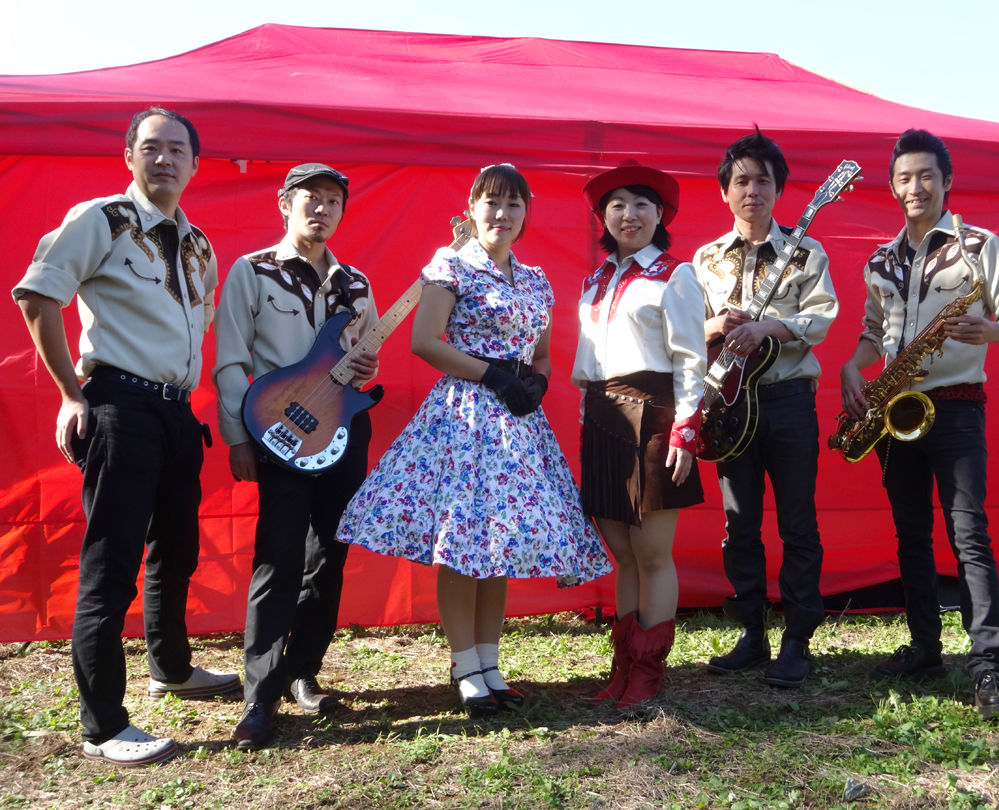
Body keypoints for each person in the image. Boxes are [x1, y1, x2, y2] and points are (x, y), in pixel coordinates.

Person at [336, 163, 611, 717]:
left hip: (517, 423)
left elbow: (541, 352)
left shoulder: (534, 279)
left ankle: (489, 663)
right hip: (465, 416)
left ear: (526, 213)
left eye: (513, 204)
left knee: (497, 543)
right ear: (472, 208)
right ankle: (464, 666)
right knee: (463, 544)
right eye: (491, 202)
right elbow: (424, 341)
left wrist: (536, 381)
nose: (501, 214)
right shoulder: (451, 265)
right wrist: (493, 376)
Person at [11, 107, 238, 767]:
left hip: (176, 413)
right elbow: (38, 295)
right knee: (111, 567)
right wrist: (70, 392)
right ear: (129, 156)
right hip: (118, 406)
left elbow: (197, 327)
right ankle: (104, 725)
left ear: (195, 164)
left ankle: (171, 668)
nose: (164, 159)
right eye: (151, 147)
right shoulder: (102, 219)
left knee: (178, 550)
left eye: (177, 149)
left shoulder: (199, 246)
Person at [839, 129, 999, 717]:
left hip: (956, 406)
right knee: (910, 533)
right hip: (895, 411)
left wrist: (991, 330)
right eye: (904, 177)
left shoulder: (980, 246)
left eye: (926, 175)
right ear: (892, 186)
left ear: (947, 181)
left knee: (968, 532)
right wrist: (852, 365)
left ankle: (986, 662)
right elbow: (874, 332)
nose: (915, 186)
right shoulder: (880, 260)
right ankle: (926, 646)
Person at [213, 163, 379, 749]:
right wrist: (238, 436)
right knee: (277, 558)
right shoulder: (252, 270)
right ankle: (258, 696)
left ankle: (302, 671)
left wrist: (365, 365)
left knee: (330, 555)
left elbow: (365, 360)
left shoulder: (355, 282)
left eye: (334, 200)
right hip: (279, 434)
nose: (323, 209)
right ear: (285, 202)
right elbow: (230, 359)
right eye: (312, 197)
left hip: (342, 433)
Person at [692, 131, 838, 689]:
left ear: (779, 189)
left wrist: (770, 326)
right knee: (739, 524)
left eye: (763, 180)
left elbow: (822, 316)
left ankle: (798, 640)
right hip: (729, 405)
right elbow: (683, 329)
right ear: (725, 192)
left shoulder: (807, 252)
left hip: (788, 400)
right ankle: (751, 633)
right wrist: (713, 326)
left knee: (798, 522)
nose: (752, 190)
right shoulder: (705, 259)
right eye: (741, 181)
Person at [573, 159, 706, 712]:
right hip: (602, 417)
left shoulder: (676, 275)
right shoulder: (594, 279)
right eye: (617, 205)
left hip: (654, 416)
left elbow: (691, 358)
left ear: (660, 215)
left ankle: (649, 671)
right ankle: (623, 665)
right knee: (623, 554)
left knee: (652, 553)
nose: (629, 214)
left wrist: (685, 432)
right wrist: (588, 423)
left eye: (641, 204)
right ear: (604, 217)